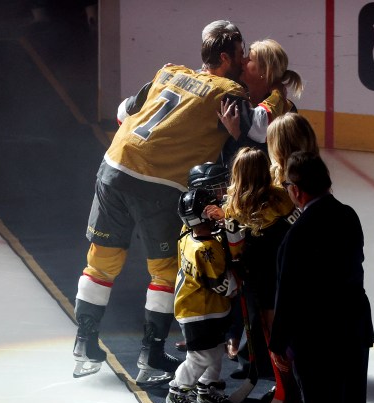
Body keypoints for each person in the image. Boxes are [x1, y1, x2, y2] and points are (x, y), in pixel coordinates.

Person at [72, 20, 281, 383]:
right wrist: (279, 92)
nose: (245, 58)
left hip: (113, 165)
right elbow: (258, 128)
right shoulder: (227, 90)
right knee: (165, 272)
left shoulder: (168, 72)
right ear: (224, 56)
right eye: (240, 53)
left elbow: (124, 112)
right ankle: (151, 357)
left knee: (101, 260)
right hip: (158, 180)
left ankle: (84, 344)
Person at [270, 152, 374, 403]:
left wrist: (277, 342)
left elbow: (287, 294)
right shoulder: (348, 216)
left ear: (296, 191)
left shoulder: (298, 233)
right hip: (355, 328)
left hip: (317, 337)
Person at [218, 147, 299, 397]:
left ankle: (276, 375)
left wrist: (236, 263)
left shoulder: (232, 206)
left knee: (260, 324)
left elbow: (235, 246)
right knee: (278, 327)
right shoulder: (281, 198)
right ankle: (286, 376)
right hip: (282, 270)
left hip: (254, 274)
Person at [163, 187, 238, 403]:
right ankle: (176, 392)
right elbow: (223, 285)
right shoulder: (206, 249)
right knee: (201, 356)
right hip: (199, 311)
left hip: (200, 308)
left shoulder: (186, 232)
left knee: (215, 350)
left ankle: (205, 390)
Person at [218, 38, 302, 151]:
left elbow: (271, 156)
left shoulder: (287, 110)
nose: (242, 61)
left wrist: (237, 134)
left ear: (265, 71)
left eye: (249, 59)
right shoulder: (238, 97)